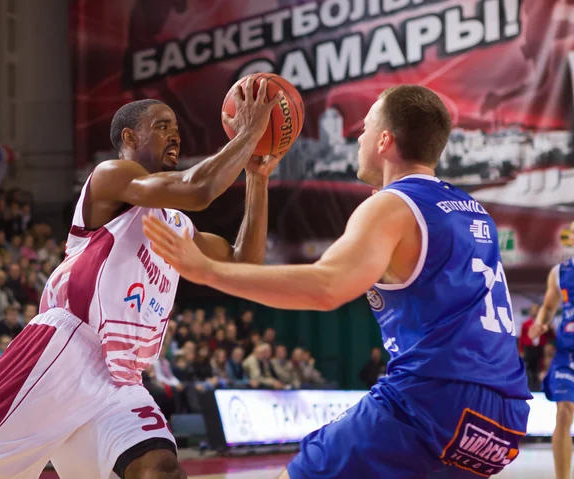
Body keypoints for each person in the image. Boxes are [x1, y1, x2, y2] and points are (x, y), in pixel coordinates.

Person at [143, 84, 532, 478]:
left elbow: (326, 287)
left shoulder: (391, 205)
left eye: (364, 128)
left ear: (384, 140)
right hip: (505, 418)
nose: (358, 138)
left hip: (434, 399)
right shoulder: (475, 212)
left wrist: (206, 270)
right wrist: (257, 180)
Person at [0, 76, 284, 479]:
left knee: (161, 468)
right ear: (129, 135)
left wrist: (257, 178)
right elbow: (200, 188)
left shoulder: (177, 224)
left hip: (120, 376)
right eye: (162, 126)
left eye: (176, 128)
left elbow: (246, 265)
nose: (175, 135)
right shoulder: (110, 177)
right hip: (64, 349)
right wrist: (249, 133)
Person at [530, 222, 574, 479]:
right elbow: (548, 307)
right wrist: (540, 323)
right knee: (564, 411)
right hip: (566, 353)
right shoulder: (560, 272)